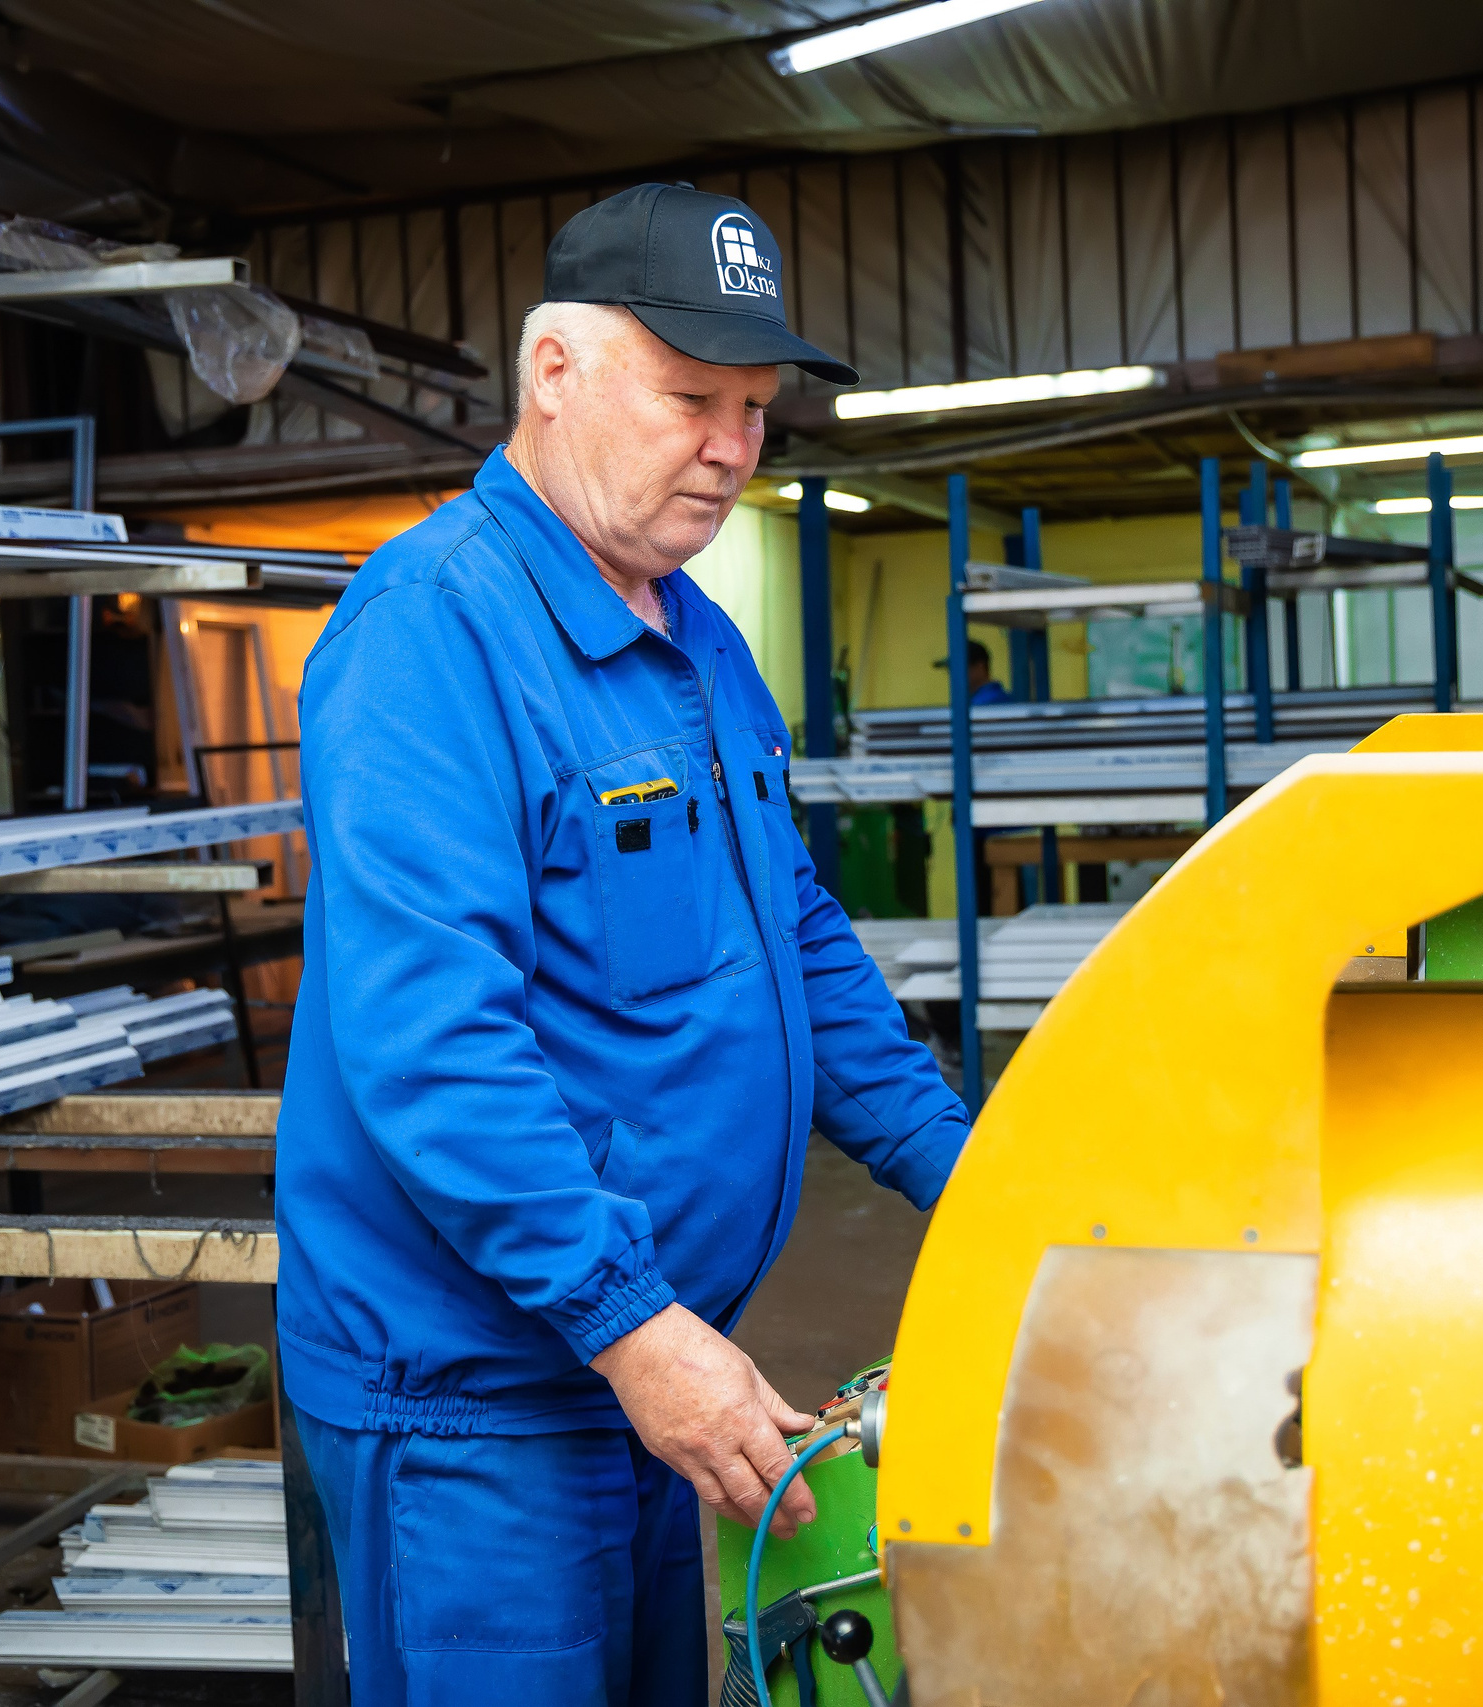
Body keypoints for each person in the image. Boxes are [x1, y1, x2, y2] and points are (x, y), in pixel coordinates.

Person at [276, 183, 972, 1707]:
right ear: (554, 373)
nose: (731, 446)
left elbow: (793, 940)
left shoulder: (693, 636)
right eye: (689, 397)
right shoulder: (430, 634)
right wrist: (632, 1327)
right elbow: (434, 1044)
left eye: (755, 408)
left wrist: (979, 1177)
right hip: (482, 1414)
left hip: (643, 1368)